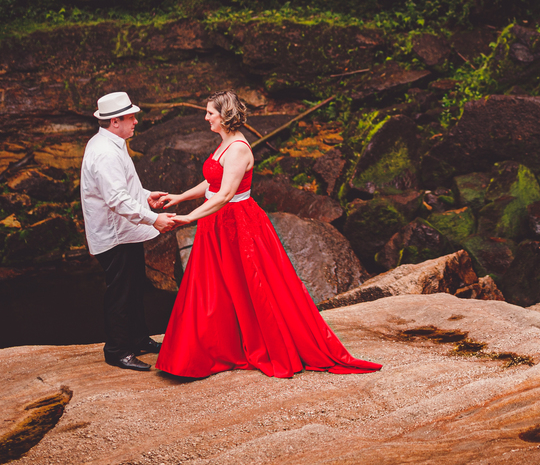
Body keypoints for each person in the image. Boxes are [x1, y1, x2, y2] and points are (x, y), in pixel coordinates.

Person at [151, 89, 380, 378]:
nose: (206, 116)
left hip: (236, 224)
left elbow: (224, 196)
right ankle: (215, 346)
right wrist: (179, 197)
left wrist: (188, 218)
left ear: (224, 116)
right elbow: (211, 182)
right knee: (214, 284)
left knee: (250, 284)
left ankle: (252, 343)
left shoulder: (238, 149)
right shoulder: (224, 144)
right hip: (217, 222)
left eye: (210, 112)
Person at [80, 91, 181, 371]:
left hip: (126, 232)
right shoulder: (104, 153)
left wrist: (146, 195)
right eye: (131, 117)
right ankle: (117, 349)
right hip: (114, 236)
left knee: (135, 287)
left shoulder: (113, 143)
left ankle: (137, 337)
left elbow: (124, 189)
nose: (136, 121)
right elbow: (115, 200)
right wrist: (153, 219)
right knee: (120, 293)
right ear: (115, 122)